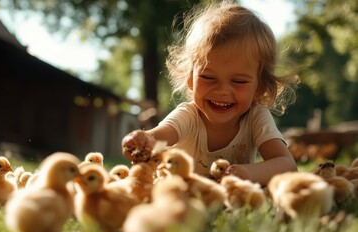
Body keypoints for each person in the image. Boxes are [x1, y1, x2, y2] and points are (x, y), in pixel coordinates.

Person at [122, 1, 299, 186]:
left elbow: (287, 164)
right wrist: (143, 140)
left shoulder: (256, 117)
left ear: (259, 87)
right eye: (208, 77)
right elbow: (159, 135)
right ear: (191, 78)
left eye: (238, 81)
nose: (222, 91)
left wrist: (247, 173)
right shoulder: (188, 116)